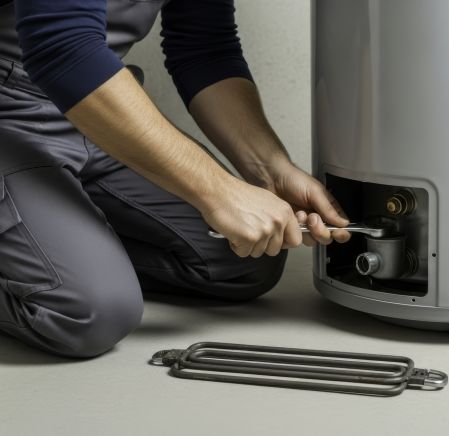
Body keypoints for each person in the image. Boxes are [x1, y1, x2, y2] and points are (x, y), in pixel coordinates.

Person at [0, 0, 349, 358]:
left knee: (245, 258)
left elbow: (204, 49)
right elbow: (62, 47)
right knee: (86, 314)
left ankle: (63, 248)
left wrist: (270, 170)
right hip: (13, 113)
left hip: (94, 108)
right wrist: (220, 192)